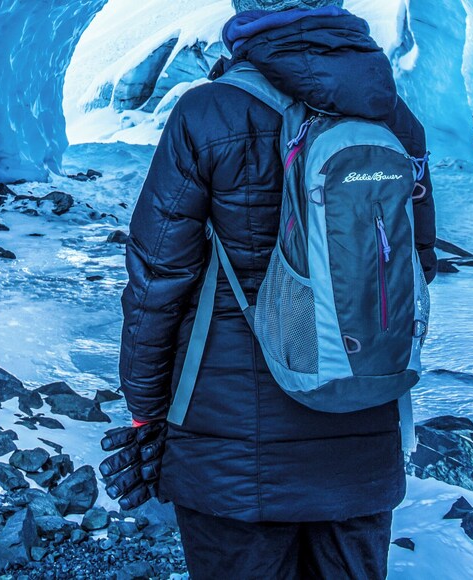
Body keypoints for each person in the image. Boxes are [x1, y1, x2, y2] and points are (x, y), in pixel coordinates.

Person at [102, 0, 437, 578]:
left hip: (230, 447)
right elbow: (417, 266)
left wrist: (145, 408)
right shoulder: (393, 119)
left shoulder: (208, 113)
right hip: (361, 424)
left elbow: (158, 278)